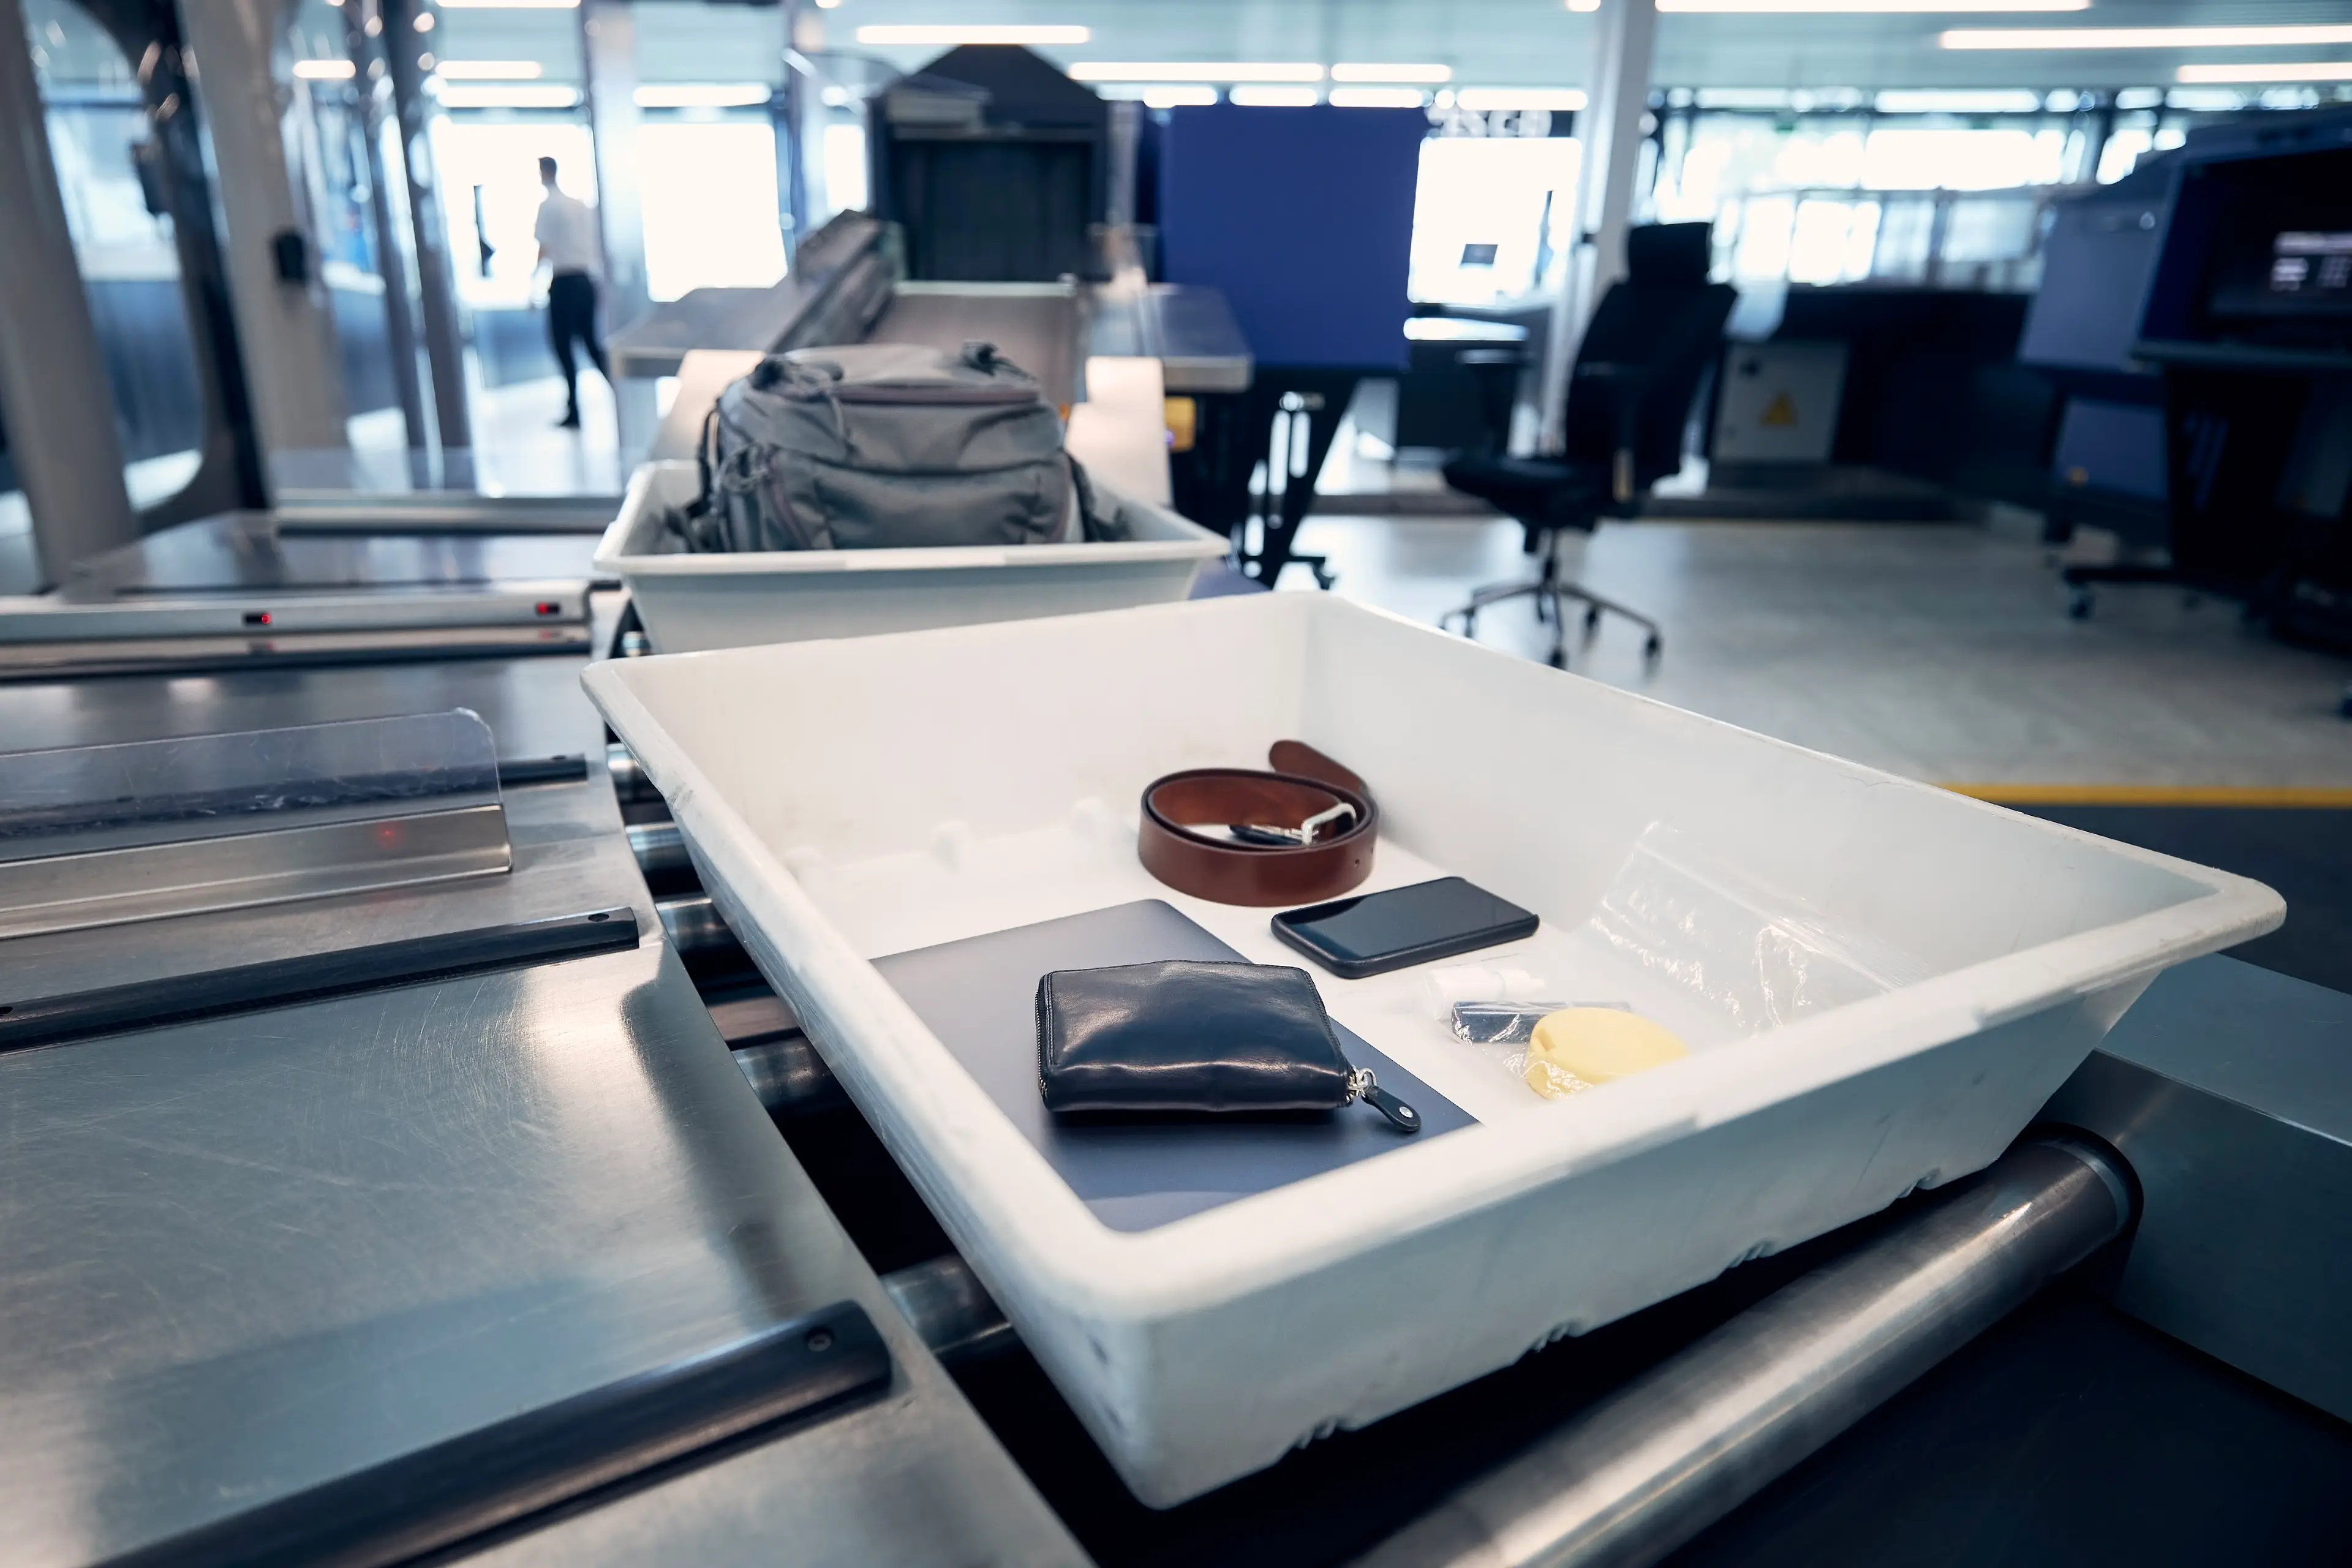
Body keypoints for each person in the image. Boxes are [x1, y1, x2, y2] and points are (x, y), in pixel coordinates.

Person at [533, 156, 611, 429]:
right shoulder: (581, 206)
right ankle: (621, 397)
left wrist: (532, 288)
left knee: (564, 348)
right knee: (591, 345)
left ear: (544, 172)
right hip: (585, 282)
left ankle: (575, 411)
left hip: (565, 283)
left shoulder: (549, 206)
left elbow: (543, 250)